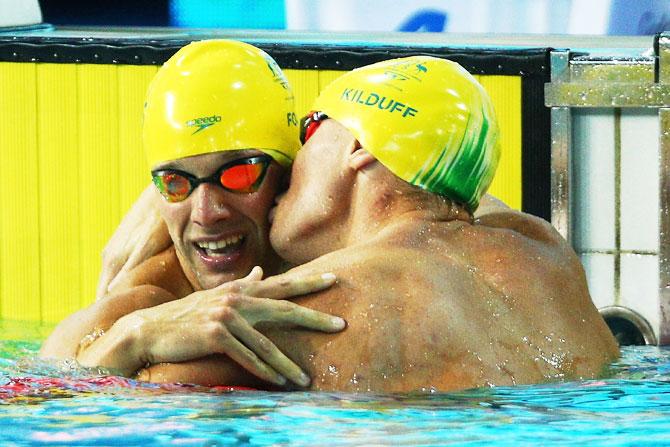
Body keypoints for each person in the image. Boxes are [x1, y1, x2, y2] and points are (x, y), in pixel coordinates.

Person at [46, 44, 619, 392]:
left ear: (359, 151)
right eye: (174, 183)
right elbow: (440, 202)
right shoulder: (541, 252)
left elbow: (68, 407)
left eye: (310, 130)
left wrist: (128, 343)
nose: (299, 157)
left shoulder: (302, 307)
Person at [39, 40, 347, 389]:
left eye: (238, 174)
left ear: (290, 170)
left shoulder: (337, 241)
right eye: (175, 183)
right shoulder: (140, 303)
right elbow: (34, 397)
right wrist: (134, 337)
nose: (206, 213)